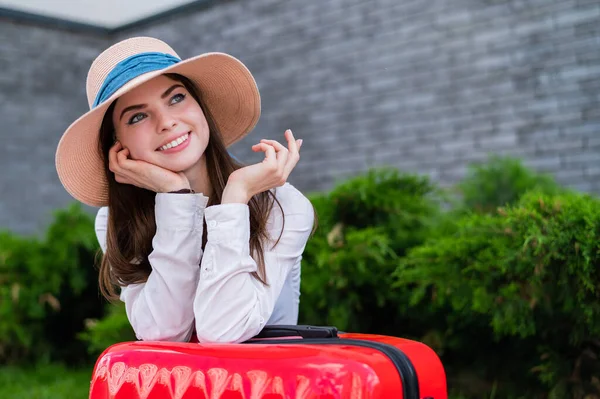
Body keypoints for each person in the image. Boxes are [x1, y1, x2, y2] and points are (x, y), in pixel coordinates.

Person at [55, 37, 315, 344]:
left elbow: (223, 333)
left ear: (200, 106)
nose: (166, 122)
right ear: (118, 144)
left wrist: (235, 199)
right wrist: (176, 198)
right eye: (138, 116)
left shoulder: (282, 206)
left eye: (176, 98)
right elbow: (162, 335)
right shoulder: (115, 220)